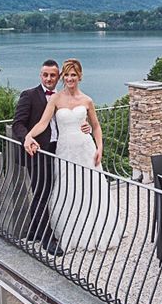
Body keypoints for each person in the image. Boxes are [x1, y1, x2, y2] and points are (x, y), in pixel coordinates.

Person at [23, 59, 122, 252]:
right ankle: (70, 230)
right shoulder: (56, 99)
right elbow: (43, 123)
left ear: (79, 77)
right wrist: (28, 136)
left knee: (90, 188)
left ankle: (95, 231)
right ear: (63, 77)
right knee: (68, 189)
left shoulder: (87, 100)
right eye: (66, 75)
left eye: (73, 75)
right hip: (65, 150)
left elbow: (96, 126)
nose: (69, 78)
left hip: (86, 148)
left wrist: (100, 148)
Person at [11, 59, 67, 256]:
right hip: (37, 152)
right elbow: (18, 124)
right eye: (46, 75)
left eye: (53, 75)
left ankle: (35, 230)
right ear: (40, 75)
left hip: (59, 149)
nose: (49, 78)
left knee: (50, 191)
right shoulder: (29, 95)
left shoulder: (62, 97)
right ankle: (47, 238)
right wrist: (27, 139)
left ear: (58, 77)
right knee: (42, 192)